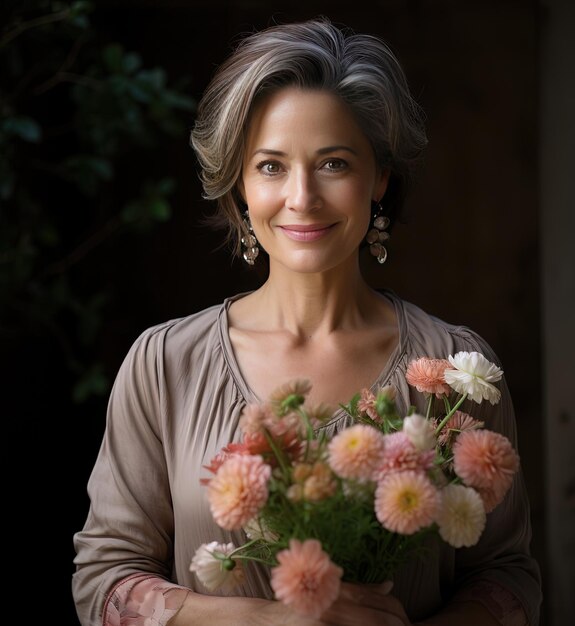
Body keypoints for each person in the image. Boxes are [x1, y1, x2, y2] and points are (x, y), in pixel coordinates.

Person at [72, 16, 542, 626]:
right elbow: (104, 584)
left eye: (334, 164)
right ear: (239, 185)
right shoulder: (164, 364)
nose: (302, 197)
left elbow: (508, 578)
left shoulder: (456, 372)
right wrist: (269, 621)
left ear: (380, 179)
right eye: (271, 166)